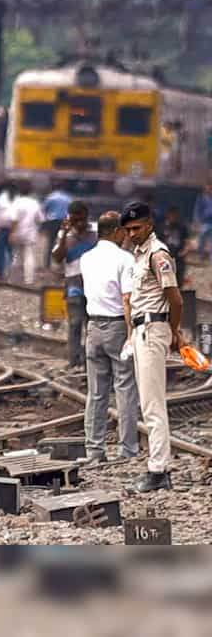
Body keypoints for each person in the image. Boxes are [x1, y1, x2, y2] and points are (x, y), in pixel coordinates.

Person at [121, 201, 188, 493]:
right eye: (128, 229)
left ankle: (159, 470)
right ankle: (157, 467)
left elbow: (175, 298)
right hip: (142, 330)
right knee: (148, 403)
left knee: (152, 404)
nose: (132, 233)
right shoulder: (139, 255)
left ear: (149, 224)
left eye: (136, 228)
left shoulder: (158, 254)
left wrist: (174, 332)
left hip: (152, 329)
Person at [79, 211, 141, 464]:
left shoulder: (86, 258)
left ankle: (94, 450)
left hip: (93, 326)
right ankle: (127, 449)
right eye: (125, 231)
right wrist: (131, 333)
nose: (127, 236)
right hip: (117, 326)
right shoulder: (125, 259)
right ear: (117, 231)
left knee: (96, 392)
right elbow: (127, 299)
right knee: (125, 388)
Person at [51, 201, 99, 369]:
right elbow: (57, 257)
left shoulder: (97, 232)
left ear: (87, 216)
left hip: (96, 283)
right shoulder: (64, 234)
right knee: (75, 322)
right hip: (74, 283)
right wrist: (64, 234)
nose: (79, 223)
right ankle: (74, 360)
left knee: (92, 323)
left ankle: (90, 360)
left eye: (81, 219)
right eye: (75, 220)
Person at [8, 183, 44, 284]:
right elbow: (40, 219)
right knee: (29, 256)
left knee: (16, 256)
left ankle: (15, 279)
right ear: (30, 192)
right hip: (30, 233)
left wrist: (12, 233)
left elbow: (13, 219)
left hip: (18, 232)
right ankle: (29, 279)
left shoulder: (16, 202)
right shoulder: (35, 203)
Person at [42, 182, 74, 271]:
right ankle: (63, 265)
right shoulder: (68, 198)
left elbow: (44, 209)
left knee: (50, 243)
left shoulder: (51, 197)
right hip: (64, 222)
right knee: (63, 243)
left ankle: (47, 264)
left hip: (52, 221)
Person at [157, 205, 191, 289]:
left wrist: (184, 252)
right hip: (165, 257)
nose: (173, 217)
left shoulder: (182, 227)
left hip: (178, 257)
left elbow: (187, 242)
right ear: (168, 215)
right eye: (172, 215)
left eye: (175, 215)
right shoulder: (162, 227)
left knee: (178, 281)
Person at [195, 182, 212, 261]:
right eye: (208, 187)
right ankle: (201, 253)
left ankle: (210, 255)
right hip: (205, 221)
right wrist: (197, 221)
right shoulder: (202, 197)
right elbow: (197, 209)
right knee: (202, 237)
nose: (209, 189)